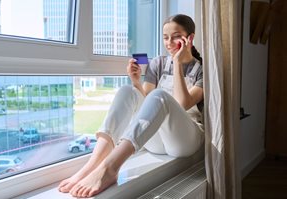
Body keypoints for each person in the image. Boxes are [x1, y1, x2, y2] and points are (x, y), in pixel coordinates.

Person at [58, 14, 204, 198]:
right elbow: (148, 105)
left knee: (160, 94)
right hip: (158, 141)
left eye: (175, 37)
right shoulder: (157, 63)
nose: (168, 43)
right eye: (165, 37)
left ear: (189, 38)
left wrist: (176, 62)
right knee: (127, 91)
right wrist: (136, 82)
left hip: (185, 141)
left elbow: (182, 103)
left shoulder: (201, 69)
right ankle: (92, 165)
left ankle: (110, 168)